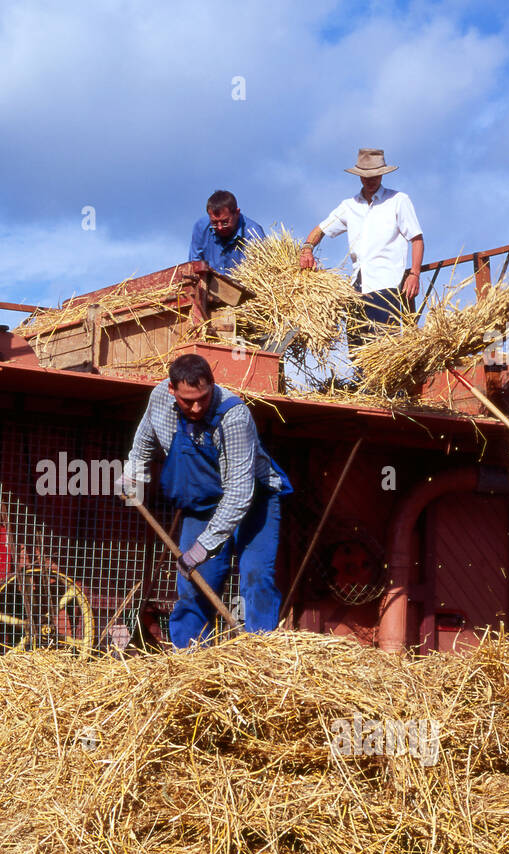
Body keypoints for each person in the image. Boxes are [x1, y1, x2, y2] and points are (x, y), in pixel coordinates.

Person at [121, 352, 291, 647]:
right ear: (172, 390)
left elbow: (239, 494)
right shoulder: (160, 398)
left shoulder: (233, 415)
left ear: (212, 384)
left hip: (254, 501)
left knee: (256, 578)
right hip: (204, 504)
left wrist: (203, 547)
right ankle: (192, 658)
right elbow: (145, 439)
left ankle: (261, 658)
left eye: (203, 397)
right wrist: (132, 475)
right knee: (193, 583)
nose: (197, 406)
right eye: (188, 401)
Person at [299, 148, 424, 352]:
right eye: (365, 175)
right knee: (357, 352)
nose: (370, 179)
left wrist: (414, 274)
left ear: (382, 173)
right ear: (359, 176)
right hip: (357, 289)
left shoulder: (398, 200)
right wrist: (307, 249)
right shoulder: (350, 206)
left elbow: (417, 238)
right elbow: (321, 229)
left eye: (374, 174)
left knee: (387, 351)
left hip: (387, 286)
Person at [189, 190, 266, 275]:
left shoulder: (253, 233)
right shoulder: (200, 227)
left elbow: (256, 274)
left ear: (237, 213)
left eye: (225, 222)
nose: (220, 227)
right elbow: (193, 266)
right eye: (214, 223)